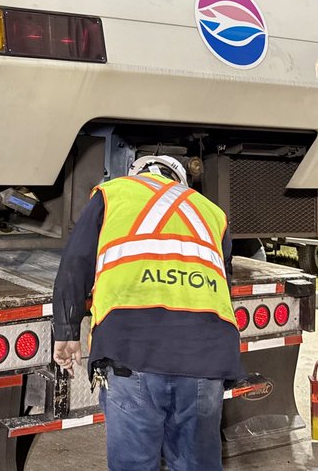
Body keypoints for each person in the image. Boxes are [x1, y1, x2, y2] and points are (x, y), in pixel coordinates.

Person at [52, 155, 243, 471]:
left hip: (130, 351)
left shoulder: (113, 193)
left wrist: (66, 333)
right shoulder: (213, 214)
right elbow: (223, 279)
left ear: (137, 173)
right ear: (180, 182)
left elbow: (76, 263)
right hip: (207, 358)